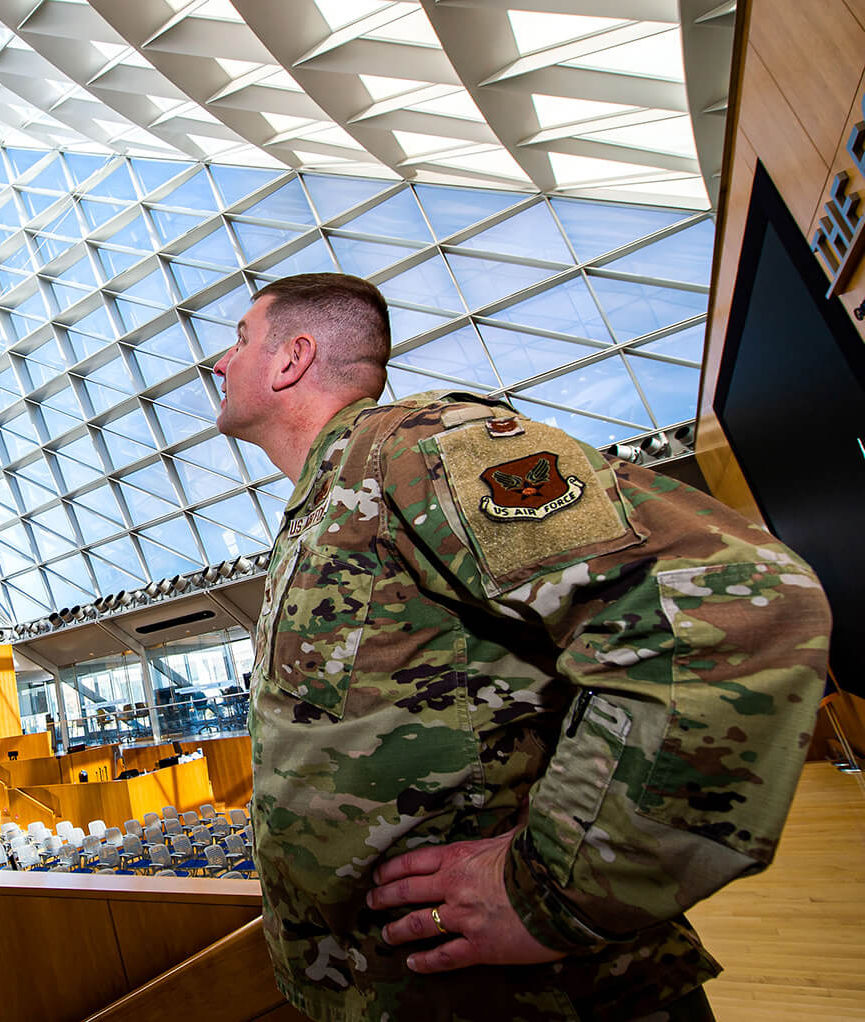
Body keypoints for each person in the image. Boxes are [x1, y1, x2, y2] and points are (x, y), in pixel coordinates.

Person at [213, 272, 830, 1021]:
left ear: (291, 359)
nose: (219, 361)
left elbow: (729, 602)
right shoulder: (328, 502)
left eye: (241, 339)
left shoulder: (412, 450)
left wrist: (554, 892)